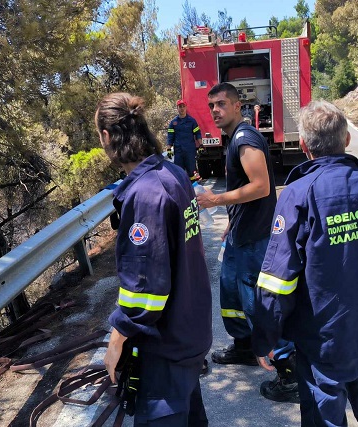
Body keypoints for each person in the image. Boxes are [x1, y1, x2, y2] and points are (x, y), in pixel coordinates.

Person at [251, 100, 358, 426]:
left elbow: (276, 281)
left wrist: (265, 339)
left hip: (324, 343)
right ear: (347, 140)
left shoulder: (298, 194)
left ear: (303, 145)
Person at [98, 92, 212, 426]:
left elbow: (145, 286)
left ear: (107, 137)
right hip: (189, 331)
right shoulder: (173, 173)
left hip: (165, 349)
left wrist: (117, 339)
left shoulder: (146, 195)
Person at [196, 82, 298, 403]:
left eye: (222, 104)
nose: (215, 110)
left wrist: (216, 200)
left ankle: (289, 370)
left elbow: (261, 186)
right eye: (212, 105)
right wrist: (230, 221)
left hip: (256, 238)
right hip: (241, 232)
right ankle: (244, 346)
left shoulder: (244, 138)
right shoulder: (234, 140)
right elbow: (246, 190)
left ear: (237, 106)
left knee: (257, 303)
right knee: (230, 292)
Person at [167, 99, 203, 181]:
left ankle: (193, 191)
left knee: (192, 173)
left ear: (186, 107)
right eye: (180, 107)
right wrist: (169, 149)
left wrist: (201, 145)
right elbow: (170, 136)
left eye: (183, 106)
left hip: (190, 151)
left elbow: (197, 133)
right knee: (179, 172)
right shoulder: (173, 123)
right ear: (177, 108)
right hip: (178, 151)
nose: (182, 108)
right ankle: (182, 192)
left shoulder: (192, 121)